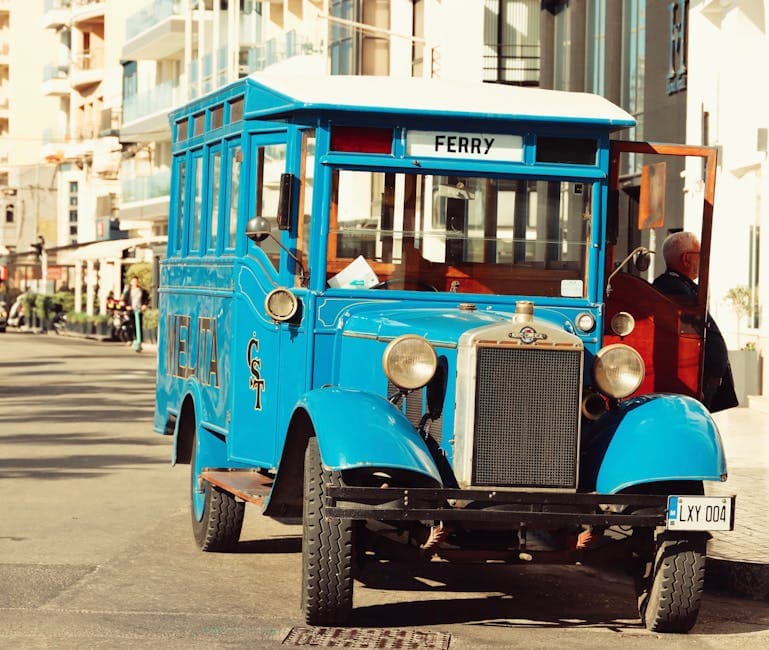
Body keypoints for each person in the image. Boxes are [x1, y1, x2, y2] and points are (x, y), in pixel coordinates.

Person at [652, 231, 738, 412]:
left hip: (702, 380)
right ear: (686, 259)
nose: (703, 261)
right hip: (692, 382)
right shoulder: (673, 287)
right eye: (700, 255)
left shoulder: (681, 285)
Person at [122, 275, 149, 352]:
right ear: (131, 282)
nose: (135, 283)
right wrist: (127, 306)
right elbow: (124, 300)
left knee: (139, 326)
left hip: (139, 311)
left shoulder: (142, 290)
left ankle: (139, 342)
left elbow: (147, 299)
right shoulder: (128, 291)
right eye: (133, 281)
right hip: (131, 311)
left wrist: (144, 305)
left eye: (136, 281)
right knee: (132, 325)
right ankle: (132, 340)